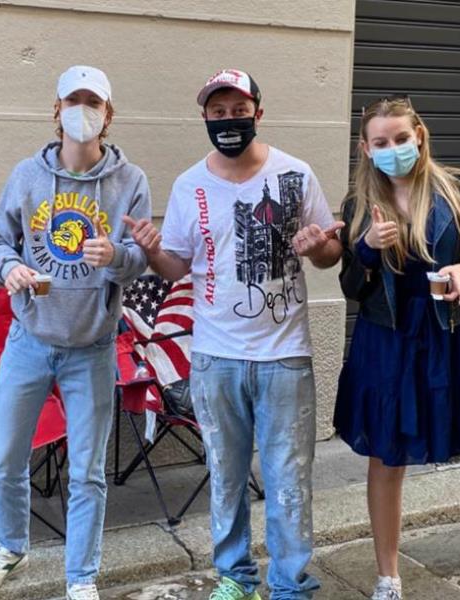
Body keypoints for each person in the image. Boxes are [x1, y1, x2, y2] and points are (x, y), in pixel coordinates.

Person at [123, 68, 343, 600]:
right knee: (225, 476)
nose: (228, 120)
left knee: (289, 480)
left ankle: (290, 585)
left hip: (284, 356)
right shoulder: (189, 185)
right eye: (217, 112)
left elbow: (330, 252)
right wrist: (152, 250)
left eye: (238, 111)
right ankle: (236, 579)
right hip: (214, 357)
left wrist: (319, 247)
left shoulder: (296, 174)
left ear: (257, 114)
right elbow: (177, 267)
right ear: (204, 117)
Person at [333, 95, 460, 600]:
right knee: (386, 462)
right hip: (387, 345)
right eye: (381, 142)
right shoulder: (359, 205)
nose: (394, 148)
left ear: (419, 135)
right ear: (366, 148)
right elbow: (352, 287)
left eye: (402, 138)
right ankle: (388, 578)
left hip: (451, 341)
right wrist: (365, 250)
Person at [0, 65, 150, 600]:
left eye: (93, 101)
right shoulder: (28, 175)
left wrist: (115, 255)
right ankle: (10, 548)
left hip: (92, 347)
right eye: (74, 100)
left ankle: (81, 578)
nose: (83, 110)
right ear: (57, 109)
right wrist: (9, 269)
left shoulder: (130, 181)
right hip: (29, 340)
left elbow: (140, 258)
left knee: (87, 473)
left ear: (108, 115)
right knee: (7, 459)